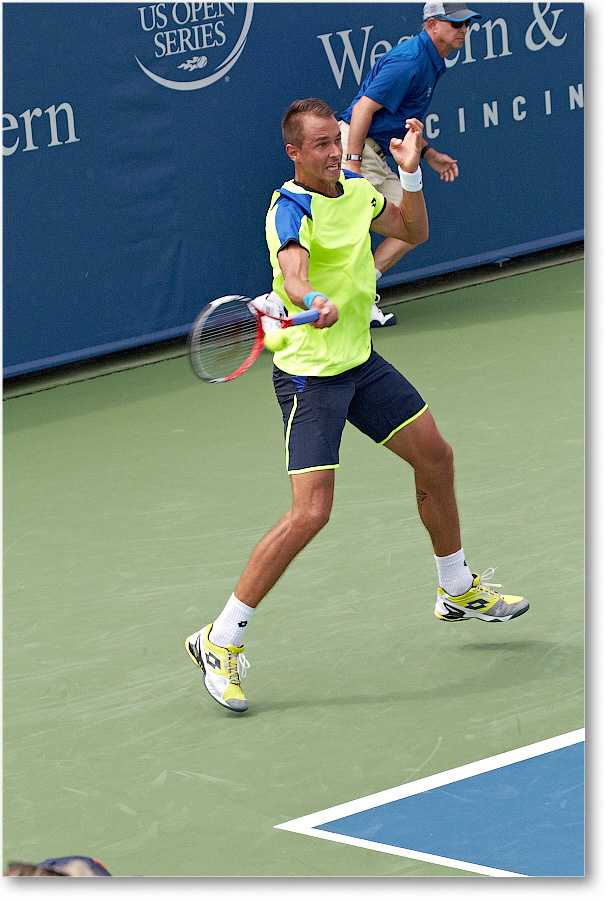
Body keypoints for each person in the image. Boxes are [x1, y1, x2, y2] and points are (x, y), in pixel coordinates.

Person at [185, 98, 528, 713]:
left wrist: (411, 174)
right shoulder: (289, 206)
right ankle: (220, 637)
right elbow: (293, 275)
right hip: (311, 380)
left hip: (360, 363)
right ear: (294, 152)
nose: (331, 151)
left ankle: (456, 587)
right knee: (311, 512)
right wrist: (311, 296)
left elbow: (412, 231)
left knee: (437, 459)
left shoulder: (355, 191)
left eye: (334, 139)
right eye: (319, 143)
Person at [338, 1, 481, 326]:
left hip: (374, 152)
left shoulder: (430, 61)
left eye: (467, 25)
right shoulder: (409, 61)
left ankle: (360, 290)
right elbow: (362, 109)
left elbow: (399, 118)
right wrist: (353, 164)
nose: (463, 31)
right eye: (456, 24)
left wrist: (429, 154)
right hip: (355, 147)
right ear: (432, 25)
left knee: (414, 227)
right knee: (351, 229)